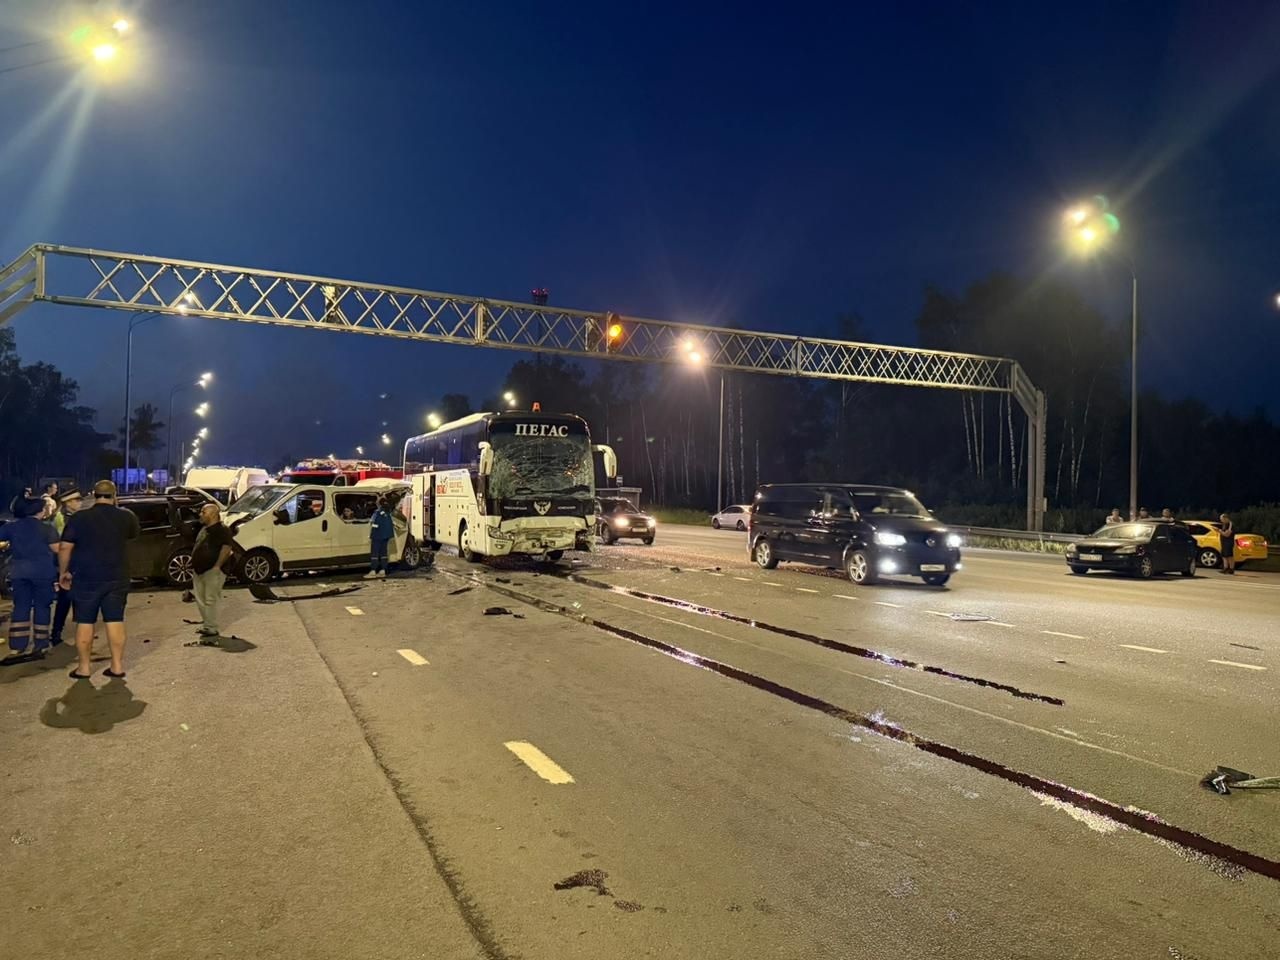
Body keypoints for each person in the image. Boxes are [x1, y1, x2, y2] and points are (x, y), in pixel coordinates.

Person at [59, 480, 140, 680]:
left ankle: (84, 668)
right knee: (115, 620)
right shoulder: (127, 517)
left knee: (85, 621)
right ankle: (117, 666)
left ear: (94, 495)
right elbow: (132, 538)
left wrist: (63, 572)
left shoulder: (79, 518)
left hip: (86, 577)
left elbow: (65, 547)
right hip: (117, 575)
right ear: (114, 495)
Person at [0, 497, 59, 657]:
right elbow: (57, 549)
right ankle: (41, 643)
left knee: (20, 607)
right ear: (40, 510)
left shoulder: (12, 527)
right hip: (43, 573)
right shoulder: (47, 528)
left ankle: (17, 645)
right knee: (42, 607)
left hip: (19, 573)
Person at [190, 501, 240, 638]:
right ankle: (207, 625)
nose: (200, 514)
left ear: (213, 514)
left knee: (211, 599)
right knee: (201, 599)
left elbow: (226, 549)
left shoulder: (222, 530)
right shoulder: (204, 529)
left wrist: (217, 566)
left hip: (212, 570)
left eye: (203, 512)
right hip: (199, 570)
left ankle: (212, 627)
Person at [50, 489, 84, 644]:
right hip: (67, 563)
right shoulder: (61, 518)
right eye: (77, 500)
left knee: (74, 600)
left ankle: (80, 632)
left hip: (74, 562)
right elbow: (63, 544)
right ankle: (56, 633)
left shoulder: (73, 517)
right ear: (68, 502)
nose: (80, 503)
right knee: (65, 600)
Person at [365, 497, 394, 579]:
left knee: (375, 553)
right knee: (383, 553)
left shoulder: (377, 512)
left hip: (377, 536)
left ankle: (373, 571)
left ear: (378, 504)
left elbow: (372, 522)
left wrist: (372, 531)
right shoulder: (388, 513)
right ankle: (383, 570)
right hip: (386, 536)